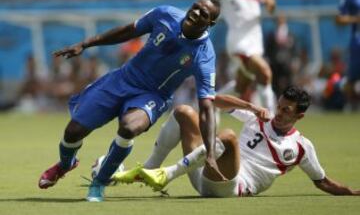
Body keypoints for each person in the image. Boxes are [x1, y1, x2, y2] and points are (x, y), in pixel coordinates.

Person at [38, 0, 227, 202]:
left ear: (211, 23)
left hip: (153, 95)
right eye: (196, 7)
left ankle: (99, 183)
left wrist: (210, 153)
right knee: (73, 131)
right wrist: (85, 44)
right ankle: (65, 165)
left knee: (129, 127)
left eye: (204, 13)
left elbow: (207, 105)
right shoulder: (165, 15)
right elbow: (129, 30)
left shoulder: (204, 55)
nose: (197, 12)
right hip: (123, 78)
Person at [113, 86, 360, 197]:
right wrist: (252, 107)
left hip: (230, 186)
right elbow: (214, 101)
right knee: (184, 112)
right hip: (202, 170)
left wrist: (351, 192)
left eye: (287, 110)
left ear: (299, 116)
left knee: (228, 135)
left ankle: (167, 174)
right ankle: (150, 169)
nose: (280, 112)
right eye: (280, 106)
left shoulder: (301, 147)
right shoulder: (260, 116)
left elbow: (322, 182)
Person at [216, 0, 277, 113]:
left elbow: (271, 3)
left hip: (255, 41)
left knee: (241, 85)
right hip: (238, 42)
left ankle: (211, 104)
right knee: (264, 72)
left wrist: (269, 4)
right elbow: (206, 6)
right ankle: (272, 121)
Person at [335, 0, 360, 110]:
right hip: (357, 43)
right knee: (352, 79)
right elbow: (339, 18)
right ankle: (349, 105)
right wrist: (356, 19)